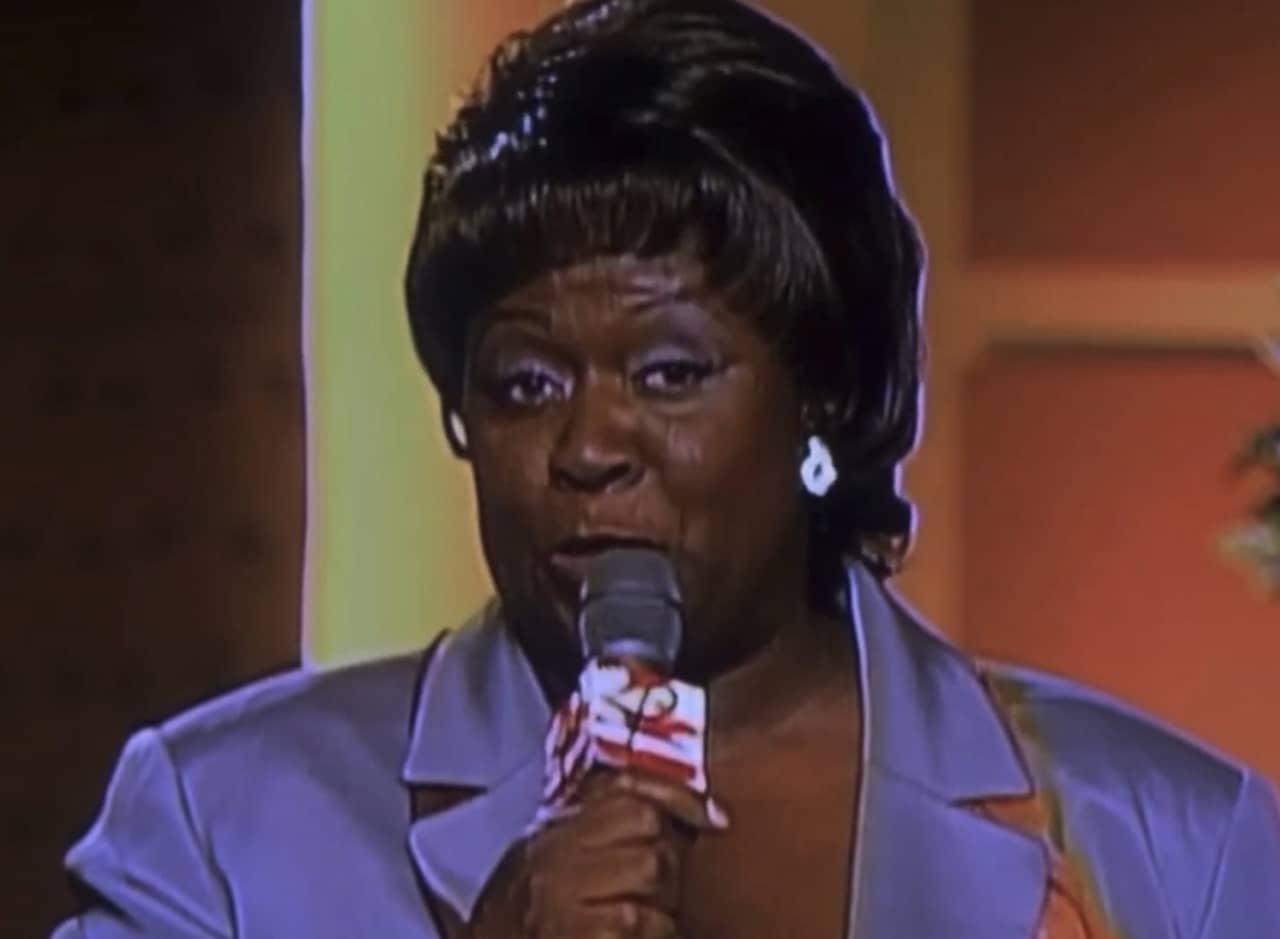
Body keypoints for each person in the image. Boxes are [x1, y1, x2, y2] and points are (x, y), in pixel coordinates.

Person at [55, 1, 1280, 936]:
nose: (587, 449)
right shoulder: (222, 827)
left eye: (668, 375)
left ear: (830, 395)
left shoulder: (1166, 843)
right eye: (526, 383)